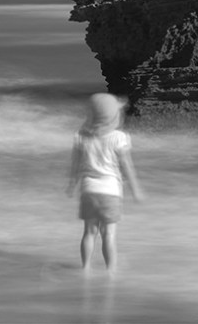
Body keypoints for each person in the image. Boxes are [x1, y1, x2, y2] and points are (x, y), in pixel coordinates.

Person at [66, 93, 144, 274]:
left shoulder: (81, 137)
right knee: (109, 234)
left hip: (88, 191)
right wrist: (135, 189)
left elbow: (75, 166)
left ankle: (85, 269)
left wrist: (71, 185)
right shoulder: (119, 138)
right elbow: (126, 166)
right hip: (111, 192)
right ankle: (111, 272)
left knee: (89, 232)